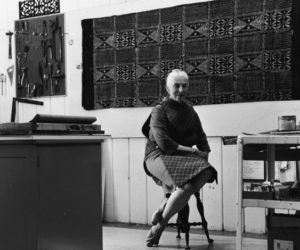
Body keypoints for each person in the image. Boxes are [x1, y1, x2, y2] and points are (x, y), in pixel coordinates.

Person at [143, 69, 217, 247]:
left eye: (185, 86)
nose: (181, 90)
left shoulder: (190, 110)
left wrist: (205, 152)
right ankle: (159, 227)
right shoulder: (159, 110)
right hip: (157, 156)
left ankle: (163, 208)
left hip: (182, 159)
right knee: (187, 186)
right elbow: (165, 144)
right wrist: (194, 153)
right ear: (168, 88)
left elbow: (201, 136)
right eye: (177, 86)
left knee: (208, 171)